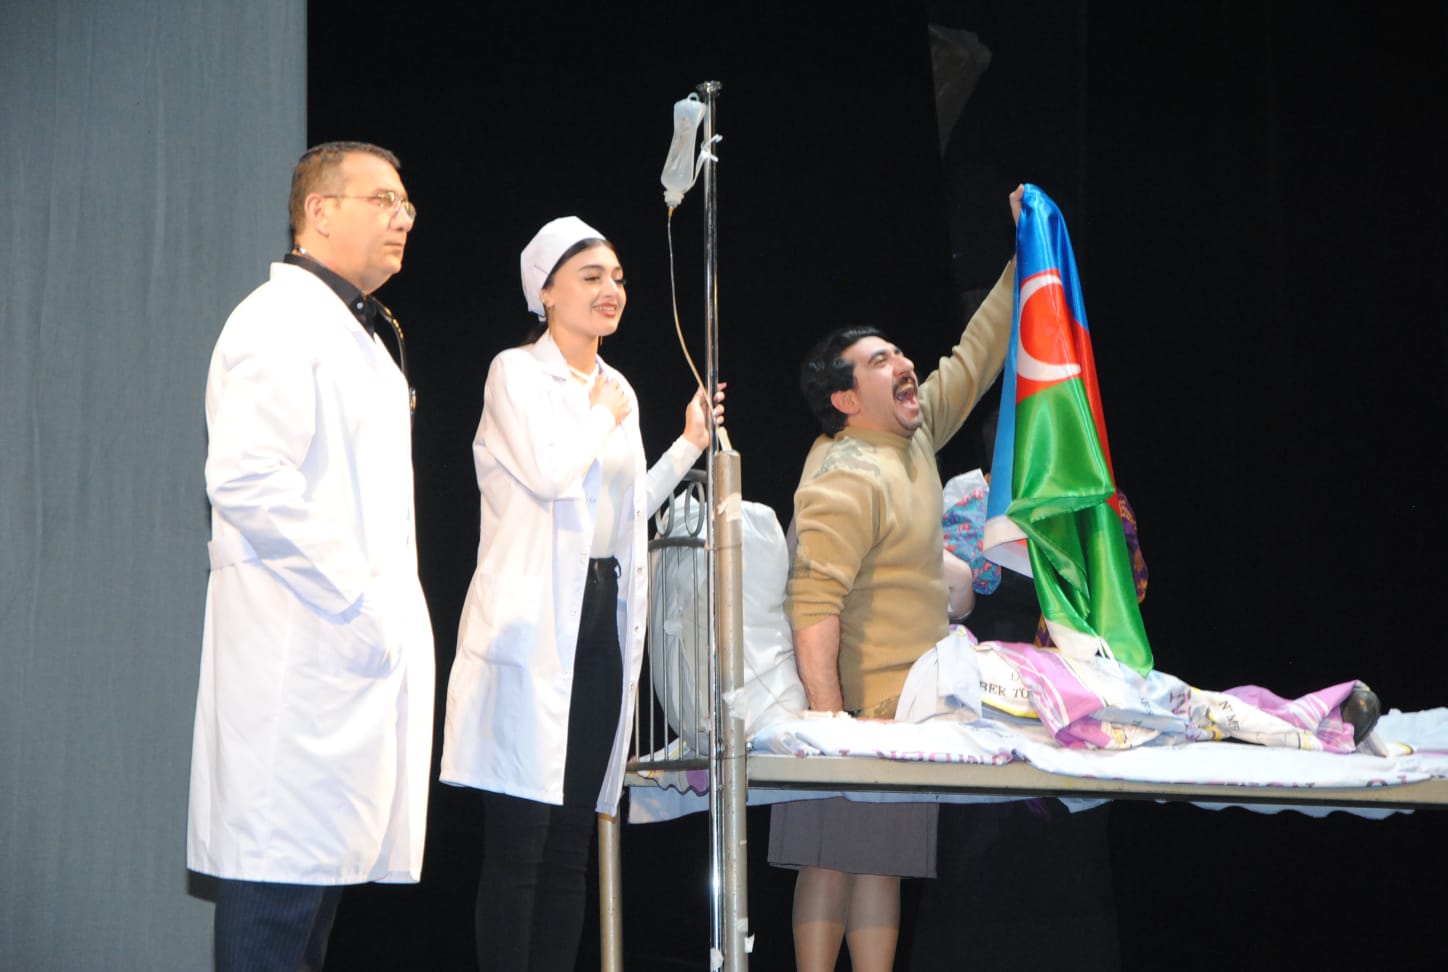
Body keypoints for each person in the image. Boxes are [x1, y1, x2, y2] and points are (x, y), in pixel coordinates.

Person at [439, 216, 724, 971]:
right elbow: (550, 472)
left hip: (600, 614)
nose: (611, 291)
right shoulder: (515, 373)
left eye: (618, 278)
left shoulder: (618, 387)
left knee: (572, 842)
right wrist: (599, 413)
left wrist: (689, 445)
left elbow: (624, 512)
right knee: (520, 843)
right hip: (534, 620)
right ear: (545, 292)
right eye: (591, 277)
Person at [187, 141, 434, 971]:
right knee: (273, 923)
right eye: (382, 200)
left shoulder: (358, 334)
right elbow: (248, 479)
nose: (403, 217)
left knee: (307, 931)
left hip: (337, 676)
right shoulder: (277, 321)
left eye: (405, 204)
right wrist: (361, 600)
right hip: (299, 674)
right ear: (319, 212)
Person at [768, 186, 1022, 972]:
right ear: (846, 399)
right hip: (854, 714)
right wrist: (830, 725)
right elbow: (812, 601)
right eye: (881, 362)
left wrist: (1026, 258)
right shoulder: (845, 471)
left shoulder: (908, 439)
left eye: (899, 354)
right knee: (828, 864)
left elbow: (975, 360)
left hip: (909, 712)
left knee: (882, 869)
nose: (906, 365)